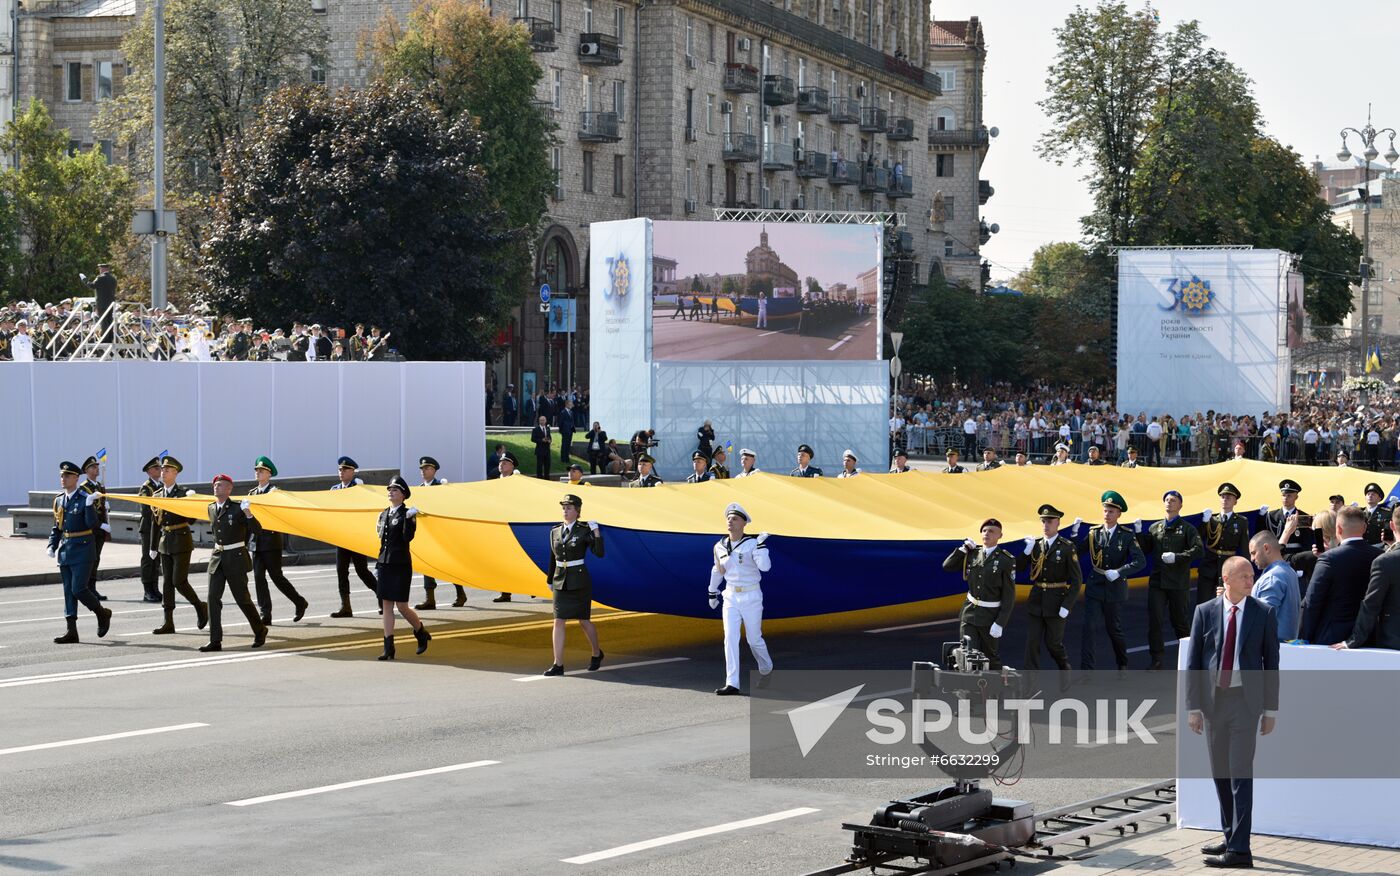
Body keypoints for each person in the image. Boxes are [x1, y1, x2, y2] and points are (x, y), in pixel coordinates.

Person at [1185, 555, 1280, 870]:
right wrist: (1194, 708)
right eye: (1244, 577)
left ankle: (1241, 851)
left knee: (1240, 774)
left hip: (1245, 704)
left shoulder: (1263, 613)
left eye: (1251, 576)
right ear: (1226, 580)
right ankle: (1231, 835)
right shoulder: (1205, 611)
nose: (1250, 582)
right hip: (1214, 706)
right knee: (1221, 774)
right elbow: (1195, 662)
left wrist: (1270, 710)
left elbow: (1271, 666)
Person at [1079, 490, 1146, 676]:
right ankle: (1087, 670)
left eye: (1111, 511)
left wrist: (1119, 572)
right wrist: (1075, 534)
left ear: (1119, 514)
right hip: (1095, 585)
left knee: (1114, 629)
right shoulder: (1093, 533)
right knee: (1089, 628)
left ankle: (1122, 663)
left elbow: (1140, 561)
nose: (1107, 514)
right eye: (1105, 510)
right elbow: (1077, 552)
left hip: (1115, 587)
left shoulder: (1126, 535)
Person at [709, 503, 773, 695]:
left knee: (754, 640)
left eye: (735, 518)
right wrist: (712, 591)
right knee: (730, 638)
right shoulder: (719, 546)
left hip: (751, 595)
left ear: (744, 523)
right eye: (728, 518)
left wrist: (761, 546)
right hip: (730, 596)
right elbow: (718, 569)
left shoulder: (752, 543)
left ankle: (766, 668)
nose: (730, 521)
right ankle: (732, 683)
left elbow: (765, 567)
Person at [199, 475, 267, 652]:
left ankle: (260, 630)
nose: (216, 487)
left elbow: (257, 530)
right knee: (212, 598)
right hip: (217, 558)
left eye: (220, 485)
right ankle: (215, 640)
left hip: (235, 558)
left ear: (229, 489)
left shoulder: (238, 508)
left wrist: (248, 513)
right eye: (215, 484)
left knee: (242, 599)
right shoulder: (211, 508)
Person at [46, 460, 112, 643]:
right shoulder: (59, 500)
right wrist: (52, 545)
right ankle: (72, 631)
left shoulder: (85, 498)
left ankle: (102, 613)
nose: (63, 479)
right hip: (66, 549)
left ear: (76, 478)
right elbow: (57, 526)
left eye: (67, 476)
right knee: (68, 591)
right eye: (61, 475)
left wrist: (90, 505)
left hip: (84, 548)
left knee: (79, 589)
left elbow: (92, 524)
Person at [1017, 503, 1081, 690]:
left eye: (1050, 521)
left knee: (1053, 643)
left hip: (1057, 600)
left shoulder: (1067, 548)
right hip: (1037, 600)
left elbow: (1077, 580)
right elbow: (1019, 568)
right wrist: (1026, 552)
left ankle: (1064, 666)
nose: (1046, 524)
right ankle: (1030, 684)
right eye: (1043, 521)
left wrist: (1067, 605)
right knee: (1032, 643)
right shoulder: (1036, 546)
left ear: (1058, 523)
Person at [542, 494, 605, 676]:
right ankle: (558, 664)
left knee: (583, 621)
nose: (565, 511)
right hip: (560, 580)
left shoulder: (584, 530)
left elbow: (599, 553)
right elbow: (552, 558)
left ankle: (596, 653)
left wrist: (596, 533)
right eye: (564, 508)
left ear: (577, 511)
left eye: (569, 508)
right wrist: (549, 579)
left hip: (579, 581)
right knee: (558, 621)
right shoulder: (555, 531)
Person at [1140, 490, 1204, 669]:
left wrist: (1178, 557)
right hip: (1158, 581)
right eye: (1167, 500)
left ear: (1180, 505)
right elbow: (1145, 549)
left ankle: (1192, 657)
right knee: (1155, 620)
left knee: (1180, 621)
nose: (1169, 503)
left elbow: (1199, 550)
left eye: (1173, 500)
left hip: (1177, 581)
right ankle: (1157, 659)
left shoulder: (1187, 528)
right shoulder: (1155, 528)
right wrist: (1139, 533)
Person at [1300, 505, 1380, 645]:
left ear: (1338, 529)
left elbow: (1313, 601)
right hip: (1369, 637)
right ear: (1365, 528)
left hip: (1332, 638)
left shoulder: (1329, 558)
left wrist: (1305, 638)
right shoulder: (1379, 556)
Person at [943, 518, 1016, 669]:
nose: (986, 534)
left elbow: (1009, 595)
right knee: (966, 655)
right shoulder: (972, 553)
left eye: (991, 531)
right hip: (969, 613)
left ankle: (995, 690)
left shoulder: (1006, 560)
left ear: (1000, 536)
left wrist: (1000, 623)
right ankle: (967, 691)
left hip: (990, 617)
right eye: (984, 531)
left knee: (990, 658)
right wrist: (962, 550)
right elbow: (947, 566)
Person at [246, 456, 308, 624]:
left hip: (271, 541)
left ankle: (299, 601)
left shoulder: (274, 491)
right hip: (257, 542)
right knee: (259, 577)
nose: (258, 473)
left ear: (269, 474)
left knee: (276, 577)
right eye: (256, 470)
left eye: (261, 471)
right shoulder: (252, 493)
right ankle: (265, 613)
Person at [374, 477, 432, 660]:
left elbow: (407, 538)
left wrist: (409, 519)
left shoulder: (407, 514)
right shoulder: (384, 514)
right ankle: (388, 647)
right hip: (385, 563)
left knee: (401, 606)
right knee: (386, 606)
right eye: (390, 489)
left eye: (395, 490)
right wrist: (378, 563)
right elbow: (382, 541)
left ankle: (420, 632)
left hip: (400, 564)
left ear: (403, 495)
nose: (391, 492)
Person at [151, 456, 209, 635]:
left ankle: (200, 606)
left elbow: (191, 520)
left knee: (179, 581)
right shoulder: (157, 495)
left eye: (167, 470)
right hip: (165, 541)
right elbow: (155, 522)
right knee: (167, 583)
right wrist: (152, 546)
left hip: (181, 540)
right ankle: (168, 621)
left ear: (175, 473)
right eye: (162, 470)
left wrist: (191, 502)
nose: (163, 472)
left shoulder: (183, 493)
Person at [1336, 507, 1400, 651]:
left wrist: (1354, 640)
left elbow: (1371, 604)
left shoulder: (1385, 561)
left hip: (1393, 641)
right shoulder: (1386, 559)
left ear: (1392, 525)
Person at [410, 456, 467, 610]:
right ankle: (430, 599)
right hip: (427, 533)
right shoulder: (419, 489)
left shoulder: (441, 487)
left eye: (427, 468)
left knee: (450, 564)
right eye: (422, 469)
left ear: (434, 470)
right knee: (427, 565)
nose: (423, 471)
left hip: (442, 532)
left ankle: (460, 593)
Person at [329, 457, 380, 618]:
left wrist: (361, 490)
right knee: (341, 572)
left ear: (352, 472)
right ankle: (346, 606)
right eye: (340, 470)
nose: (341, 472)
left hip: (356, 536)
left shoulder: (359, 487)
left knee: (362, 571)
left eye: (345, 470)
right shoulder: (334, 490)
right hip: (341, 536)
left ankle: (382, 597)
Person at [1198, 483, 1250, 606]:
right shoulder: (1211, 519)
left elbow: (1244, 546)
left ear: (1235, 502)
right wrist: (1204, 523)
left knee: (1226, 602)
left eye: (1229, 498)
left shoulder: (1242, 521)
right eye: (1222, 497)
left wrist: (1245, 569)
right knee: (1203, 601)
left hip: (1228, 565)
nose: (1225, 500)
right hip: (1209, 564)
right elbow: (1199, 539)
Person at [1246, 532, 1301, 642]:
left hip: (1270, 649)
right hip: (1283, 648)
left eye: (1253, 553)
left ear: (1266, 548)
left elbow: (1261, 619)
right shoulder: (1288, 571)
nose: (1251, 558)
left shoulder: (1272, 577)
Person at [1263, 479, 1314, 595]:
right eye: (1283, 495)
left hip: (1296, 559)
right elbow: (1266, 536)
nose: (1285, 498)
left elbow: (1306, 542)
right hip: (1277, 556)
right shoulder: (1271, 516)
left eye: (1289, 495)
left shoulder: (1303, 516)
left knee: (1296, 594)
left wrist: (1303, 565)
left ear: (1296, 497)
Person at [78, 456, 111, 600]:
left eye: (97, 467)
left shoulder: (99, 486)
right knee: (90, 559)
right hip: (91, 528)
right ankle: (87, 588)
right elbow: (87, 508)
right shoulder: (84, 487)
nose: (96, 469)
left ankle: (92, 588)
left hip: (100, 528)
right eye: (93, 467)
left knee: (96, 558)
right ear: (86, 470)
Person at [136, 456, 164, 603]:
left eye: (160, 468)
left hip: (158, 528)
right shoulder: (146, 488)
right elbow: (146, 510)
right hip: (148, 528)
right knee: (148, 559)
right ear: (149, 471)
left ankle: (155, 588)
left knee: (156, 559)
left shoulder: (160, 486)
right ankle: (147, 591)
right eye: (156, 468)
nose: (159, 470)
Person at [531, 415, 552, 480]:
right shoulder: (536, 429)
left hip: (547, 450)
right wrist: (541, 440)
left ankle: (547, 478)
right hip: (540, 450)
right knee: (539, 466)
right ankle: (539, 478)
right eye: (541, 420)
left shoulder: (547, 428)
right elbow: (533, 439)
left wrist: (549, 440)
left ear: (546, 421)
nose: (542, 421)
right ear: (539, 421)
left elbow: (549, 437)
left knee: (547, 465)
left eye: (543, 420)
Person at [558, 399, 576, 464]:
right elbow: (560, 422)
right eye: (570, 404)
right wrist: (561, 430)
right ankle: (563, 458)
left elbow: (572, 421)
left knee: (568, 445)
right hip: (565, 431)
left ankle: (567, 458)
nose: (571, 405)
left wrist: (573, 427)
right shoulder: (563, 412)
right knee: (564, 445)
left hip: (570, 431)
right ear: (566, 404)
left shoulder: (571, 412)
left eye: (571, 404)